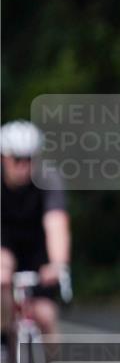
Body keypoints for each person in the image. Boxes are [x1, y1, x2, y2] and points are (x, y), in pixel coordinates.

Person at [0, 120, 71, 347]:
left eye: (29, 159)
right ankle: (3, 337)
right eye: (17, 159)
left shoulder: (48, 178)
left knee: (46, 316)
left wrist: (58, 264)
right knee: (2, 275)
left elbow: (56, 223)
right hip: (5, 242)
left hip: (37, 249)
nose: (23, 166)